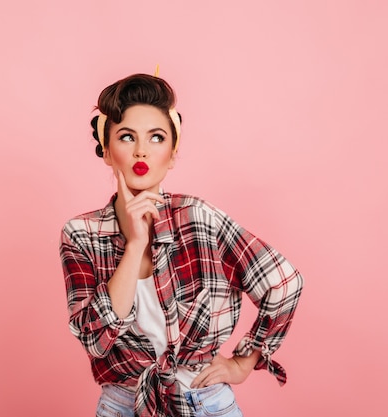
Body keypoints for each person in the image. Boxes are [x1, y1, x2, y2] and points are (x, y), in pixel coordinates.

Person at [59, 72, 303, 417]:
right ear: (108, 153)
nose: (141, 150)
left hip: (203, 403)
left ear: (172, 154)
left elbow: (284, 283)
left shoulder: (198, 218)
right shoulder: (80, 234)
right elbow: (96, 341)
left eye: (156, 138)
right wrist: (135, 245)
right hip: (123, 406)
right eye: (126, 137)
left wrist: (244, 363)